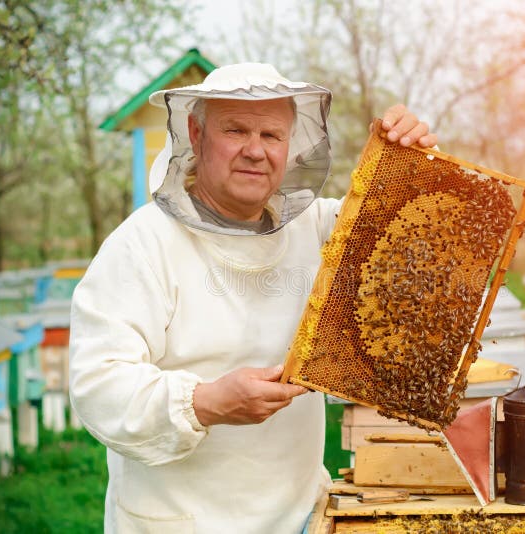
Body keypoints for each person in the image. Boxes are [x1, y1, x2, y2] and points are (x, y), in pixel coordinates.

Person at [68, 63, 437, 533]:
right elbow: (98, 387)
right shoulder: (142, 245)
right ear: (196, 134)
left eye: (271, 134)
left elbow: (413, 241)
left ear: (290, 144)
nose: (255, 151)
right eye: (236, 130)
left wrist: (413, 158)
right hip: (182, 522)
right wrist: (204, 402)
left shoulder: (320, 229)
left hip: (302, 515)